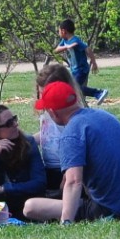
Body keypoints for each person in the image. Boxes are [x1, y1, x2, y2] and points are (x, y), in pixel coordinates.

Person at [22, 80, 120, 224]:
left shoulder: (71, 133)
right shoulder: (104, 116)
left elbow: (74, 182)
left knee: (30, 207)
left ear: (52, 112)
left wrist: (66, 221)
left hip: (114, 208)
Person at [32, 61, 79, 195]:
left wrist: (68, 174)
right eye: (40, 93)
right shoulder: (48, 112)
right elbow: (47, 135)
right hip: (48, 167)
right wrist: (27, 139)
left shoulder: (70, 116)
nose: (43, 98)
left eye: (46, 93)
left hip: (64, 169)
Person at [54, 19, 108, 104]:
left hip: (81, 69)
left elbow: (88, 49)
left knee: (75, 88)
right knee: (74, 88)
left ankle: (98, 93)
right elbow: (56, 50)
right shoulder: (65, 41)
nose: (59, 33)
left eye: (59, 31)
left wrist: (94, 63)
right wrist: (67, 46)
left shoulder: (76, 40)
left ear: (63, 31)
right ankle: (83, 102)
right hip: (74, 70)